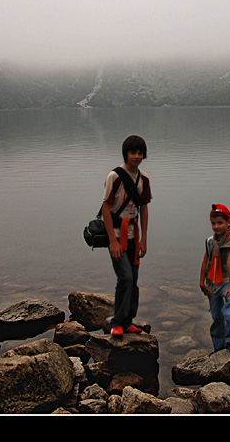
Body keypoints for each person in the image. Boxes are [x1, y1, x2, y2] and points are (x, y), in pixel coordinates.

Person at [101, 135, 152, 337]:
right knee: (125, 277)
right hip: (116, 234)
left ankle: (128, 320)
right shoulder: (115, 177)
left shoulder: (144, 179)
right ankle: (117, 322)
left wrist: (144, 239)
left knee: (134, 279)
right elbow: (106, 208)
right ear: (126, 154)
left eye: (140, 153)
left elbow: (144, 210)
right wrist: (112, 241)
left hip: (134, 234)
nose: (137, 156)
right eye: (133, 153)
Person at [199, 203, 230, 353]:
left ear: (228, 222)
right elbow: (205, 261)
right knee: (217, 316)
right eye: (213, 223)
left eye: (220, 223)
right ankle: (218, 347)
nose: (217, 226)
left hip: (225, 281)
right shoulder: (210, 241)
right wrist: (201, 282)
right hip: (212, 282)